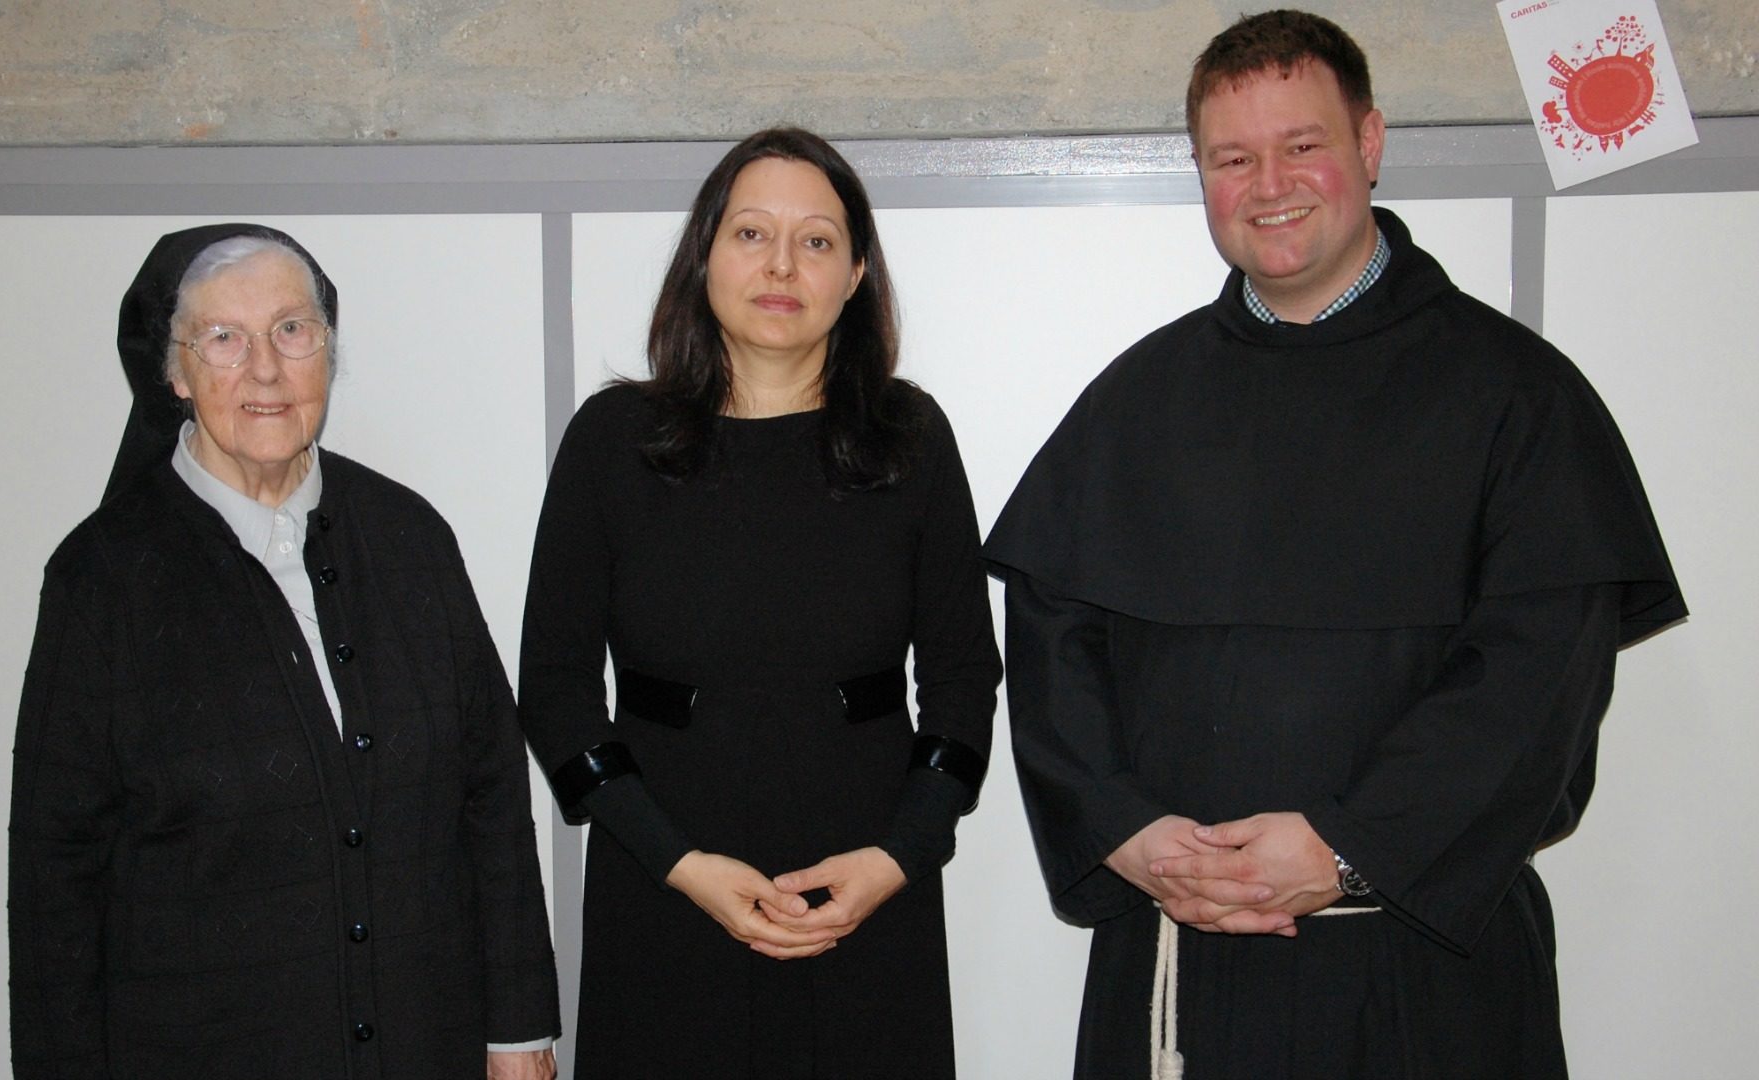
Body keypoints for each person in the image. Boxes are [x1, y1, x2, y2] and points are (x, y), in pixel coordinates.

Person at [984, 11, 1685, 1079]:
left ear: (1369, 142)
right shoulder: (1137, 400)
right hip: (1182, 970)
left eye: (1302, 145)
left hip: (1420, 971)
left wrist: (1347, 849)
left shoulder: (1517, 397)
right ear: (1202, 176)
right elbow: (1052, 646)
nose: (1270, 183)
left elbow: (1539, 682)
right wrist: (1124, 829)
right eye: (1233, 158)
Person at [8, 224, 561, 1079]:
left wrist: (519, 1031)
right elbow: (54, 873)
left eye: (293, 331)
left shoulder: (412, 538)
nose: (265, 368)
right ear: (175, 373)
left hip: (428, 1044)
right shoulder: (100, 579)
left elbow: (491, 795)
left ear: (328, 353)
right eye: (224, 338)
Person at [518, 128, 1001, 1079]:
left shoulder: (911, 437)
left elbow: (963, 679)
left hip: (865, 896)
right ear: (705, 255)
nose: (782, 264)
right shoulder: (614, 440)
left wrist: (897, 859)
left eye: (817, 240)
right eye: (751, 234)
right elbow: (555, 689)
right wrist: (681, 866)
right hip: (662, 886)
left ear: (857, 271)